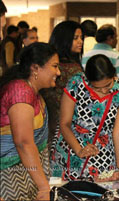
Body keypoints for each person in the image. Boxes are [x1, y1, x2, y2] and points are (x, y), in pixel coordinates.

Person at [50, 54, 119, 180]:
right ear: (88, 80)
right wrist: (79, 150)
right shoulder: (77, 83)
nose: (104, 91)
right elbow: (64, 123)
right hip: (72, 152)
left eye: (108, 85)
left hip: (106, 158)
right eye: (97, 88)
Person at [0, 42, 60, 200]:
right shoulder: (19, 91)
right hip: (10, 177)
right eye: (54, 66)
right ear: (35, 68)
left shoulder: (31, 91)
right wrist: (43, 186)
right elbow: (23, 142)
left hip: (26, 175)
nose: (58, 72)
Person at [41, 20, 83, 150]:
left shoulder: (49, 63)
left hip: (49, 123)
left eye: (81, 38)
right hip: (66, 126)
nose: (80, 41)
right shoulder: (73, 69)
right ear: (64, 39)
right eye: (75, 38)